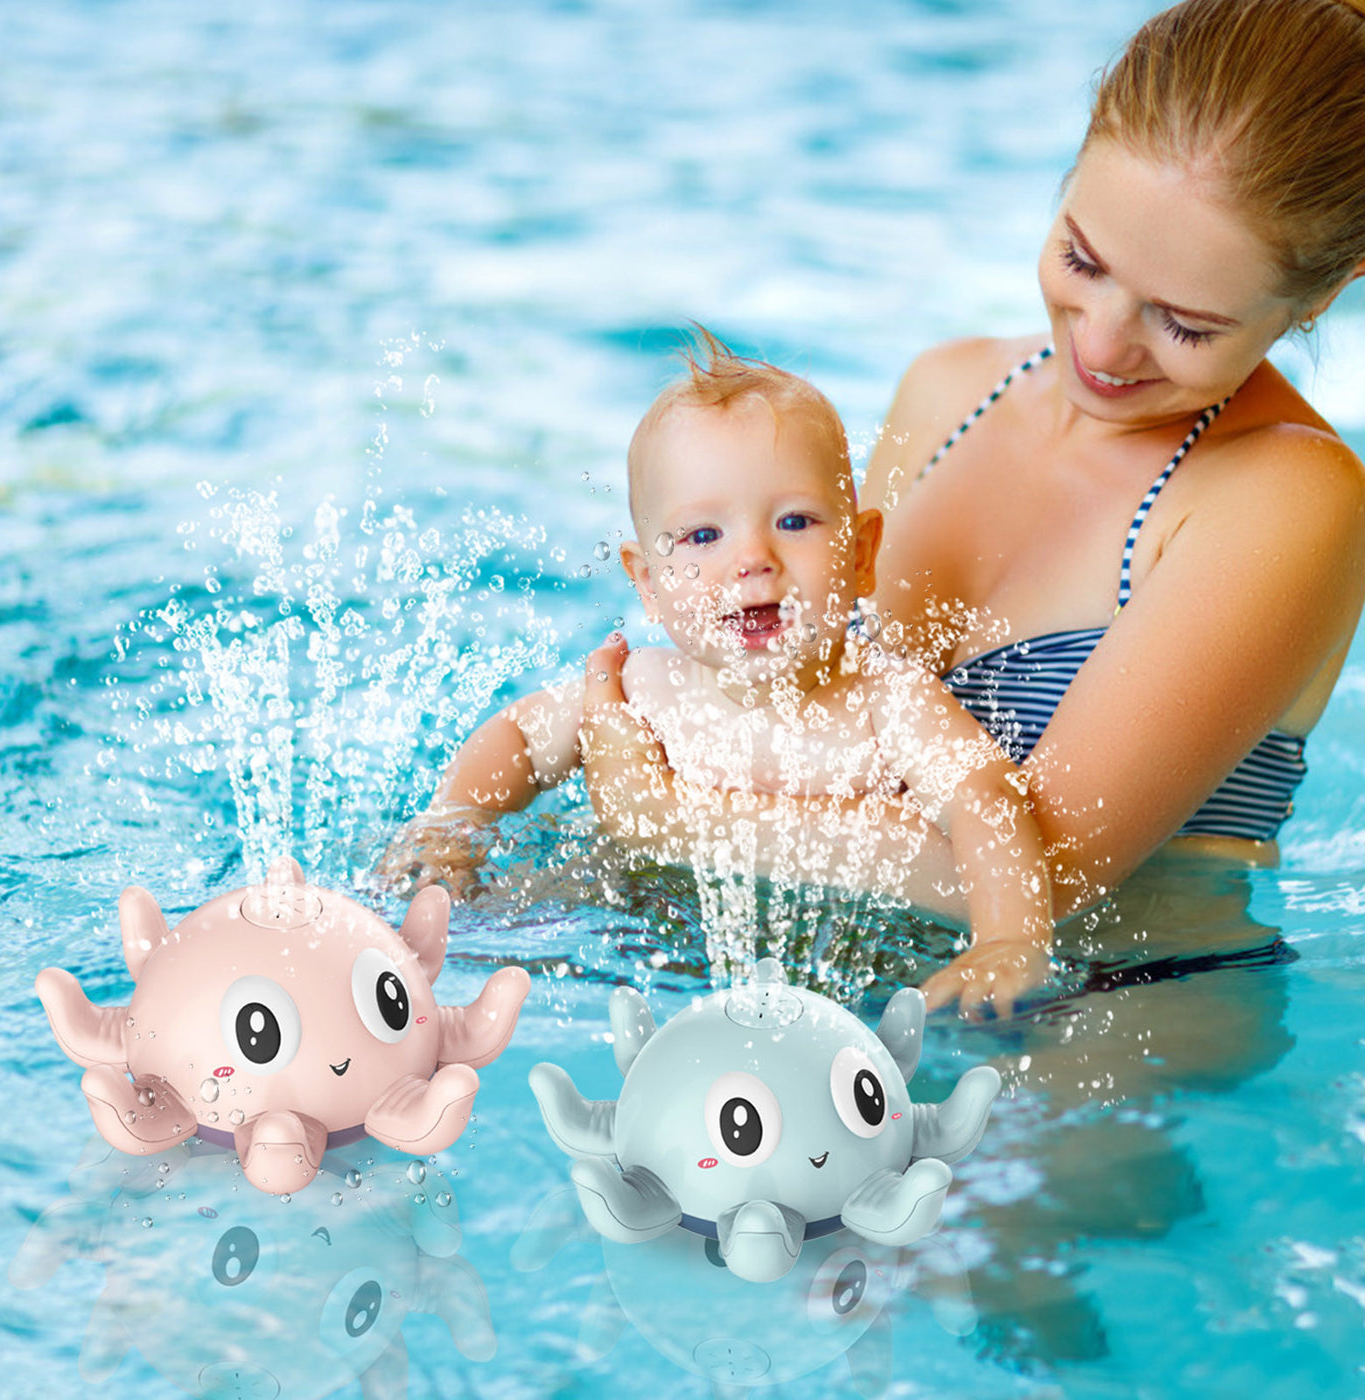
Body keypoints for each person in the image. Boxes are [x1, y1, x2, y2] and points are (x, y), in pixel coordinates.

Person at [581, 0, 1365, 966]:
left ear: (1324, 294)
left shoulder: (1289, 494)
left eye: (1186, 324)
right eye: (1082, 257)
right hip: (841, 960)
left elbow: (1039, 883)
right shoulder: (948, 388)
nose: (1102, 341)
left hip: (1109, 1015)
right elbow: (807, 702)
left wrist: (666, 817)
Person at [384, 333, 1052, 1014]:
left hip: (844, 982)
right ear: (646, 582)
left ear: (861, 555)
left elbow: (982, 798)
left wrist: (1009, 937)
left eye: (795, 521)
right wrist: (451, 825)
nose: (753, 558)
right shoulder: (641, 690)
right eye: (704, 536)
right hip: (632, 945)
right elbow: (521, 739)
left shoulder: (888, 702)